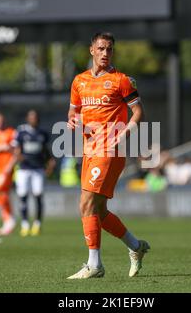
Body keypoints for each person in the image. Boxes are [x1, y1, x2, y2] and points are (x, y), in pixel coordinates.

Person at [66, 32, 150, 279]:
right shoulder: (78, 81)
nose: (105, 53)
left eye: (109, 49)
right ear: (91, 50)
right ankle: (136, 246)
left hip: (111, 149)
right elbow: (73, 114)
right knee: (99, 211)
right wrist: (73, 122)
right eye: (101, 48)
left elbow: (138, 113)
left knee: (85, 203)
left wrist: (124, 133)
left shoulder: (121, 80)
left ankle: (95, 265)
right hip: (89, 150)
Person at [4, 110, 56, 237]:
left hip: (38, 169)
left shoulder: (42, 134)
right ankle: (25, 225)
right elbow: (14, 148)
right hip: (23, 169)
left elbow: (46, 150)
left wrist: (50, 162)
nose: (34, 119)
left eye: (36, 117)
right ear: (27, 118)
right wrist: (18, 156)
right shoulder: (21, 132)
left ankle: (37, 224)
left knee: (38, 195)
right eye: (31, 117)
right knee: (23, 196)